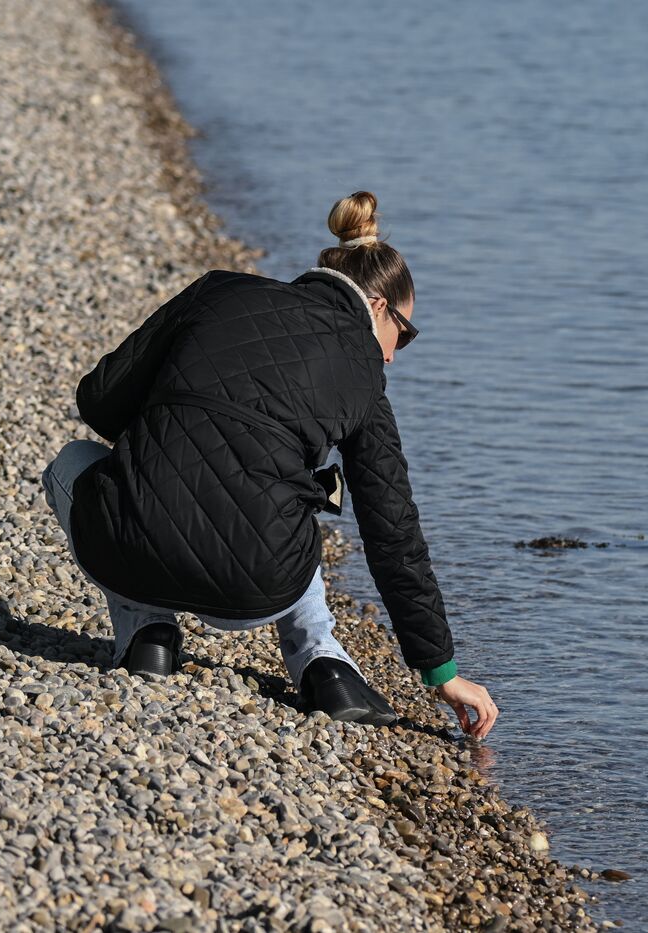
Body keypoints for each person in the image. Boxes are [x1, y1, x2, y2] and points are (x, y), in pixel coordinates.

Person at [40, 191, 498, 738]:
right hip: (259, 586)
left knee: (71, 462)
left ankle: (147, 634)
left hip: (128, 549)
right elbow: (391, 528)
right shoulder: (365, 378)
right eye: (405, 333)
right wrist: (441, 672)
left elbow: (98, 398)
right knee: (302, 497)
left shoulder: (217, 290)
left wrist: (174, 429)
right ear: (378, 307)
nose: (395, 354)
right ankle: (322, 663)